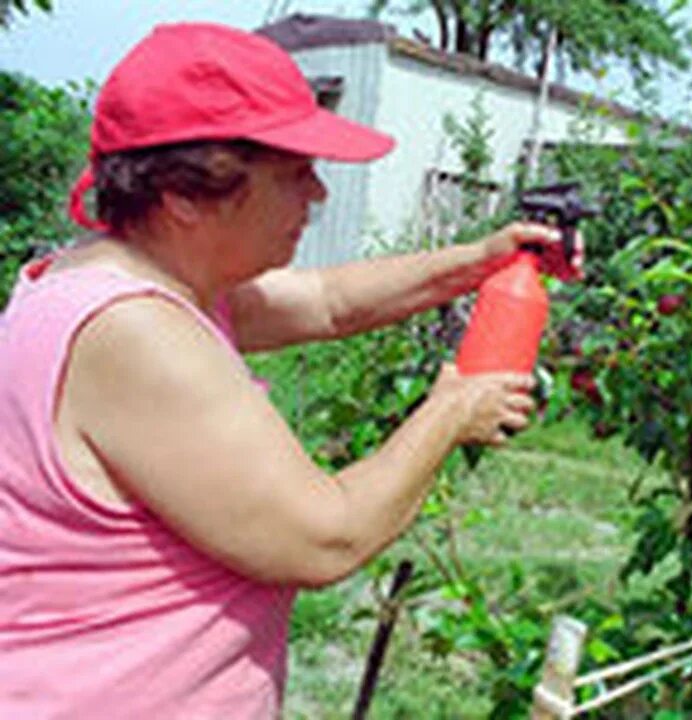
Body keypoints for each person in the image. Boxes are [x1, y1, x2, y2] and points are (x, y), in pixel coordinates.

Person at [0, 21, 582, 719]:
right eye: (293, 173)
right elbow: (323, 537)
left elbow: (329, 303)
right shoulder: (134, 334)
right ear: (186, 193)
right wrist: (451, 411)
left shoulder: (116, 281)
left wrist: (481, 260)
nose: (318, 195)